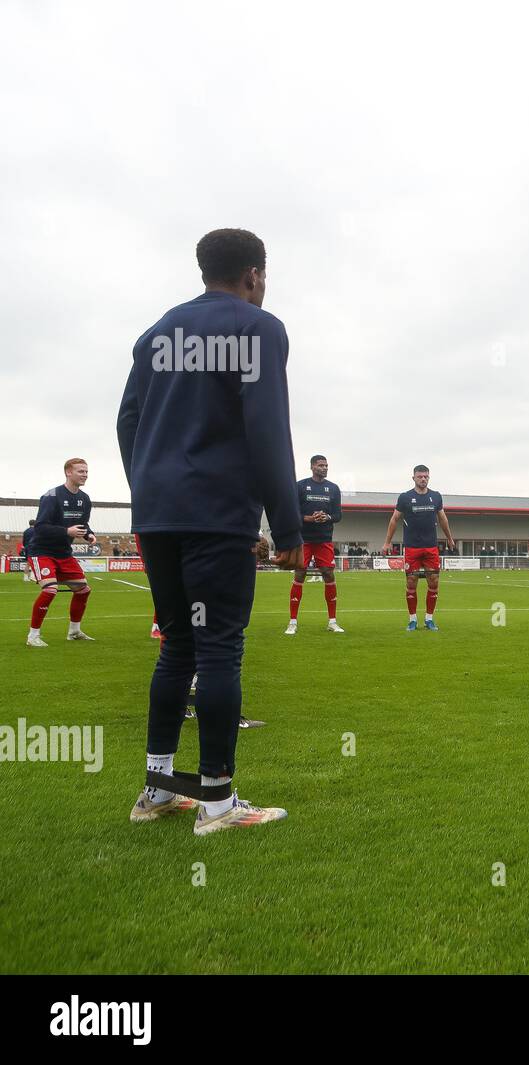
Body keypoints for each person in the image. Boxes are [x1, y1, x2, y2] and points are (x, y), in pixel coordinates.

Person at [117, 227, 300, 834]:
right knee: (220, 648)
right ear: (254, 274)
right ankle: (218, 804)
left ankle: (158, 789)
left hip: (158, 513)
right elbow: (268, 429)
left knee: (177, 645)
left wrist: (148, 490)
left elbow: (128, 421)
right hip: (216, 514)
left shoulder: (154, 335)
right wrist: (288, 526)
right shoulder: (257, 327)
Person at [26, 459, 96, 646]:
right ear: (68, 472)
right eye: (80, 471)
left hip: (63, 553)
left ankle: (74, 632)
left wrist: (89, 534)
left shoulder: (85, 499)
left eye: (86, 471)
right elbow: (40, 527)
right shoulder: (52, 496)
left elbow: (83, 525)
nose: (85, 474)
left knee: (83, 590)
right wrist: (67, 532)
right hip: (42, 551)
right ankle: (33, 636)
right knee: (50, 589)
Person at [383, 465, 456, 631]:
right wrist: (387, 542)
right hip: (412, 548)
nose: (423, 479)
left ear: (429, 478)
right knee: (411, 582)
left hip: (430, 547)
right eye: (420, 476)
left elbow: (443, 519)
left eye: (426, 476)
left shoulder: (436, 497)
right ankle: (412, 619)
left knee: (434, 581)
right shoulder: (405, 497)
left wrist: (450, 538)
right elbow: (394, 519)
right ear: (413, 478)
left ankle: (429, 619)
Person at [286, 454, 344, 635]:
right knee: (300, 573)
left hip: (324, 539)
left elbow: (338, 515)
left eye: (326, 465)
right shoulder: (301, 486)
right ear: (312, 466)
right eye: (321, 465)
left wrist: (327, 517)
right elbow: (292, 513)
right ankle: (293, 622)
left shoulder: (333, 488)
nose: (325, 468)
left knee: (328, 574)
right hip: (304, 540)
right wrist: (309, 518)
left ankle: (332, 621)